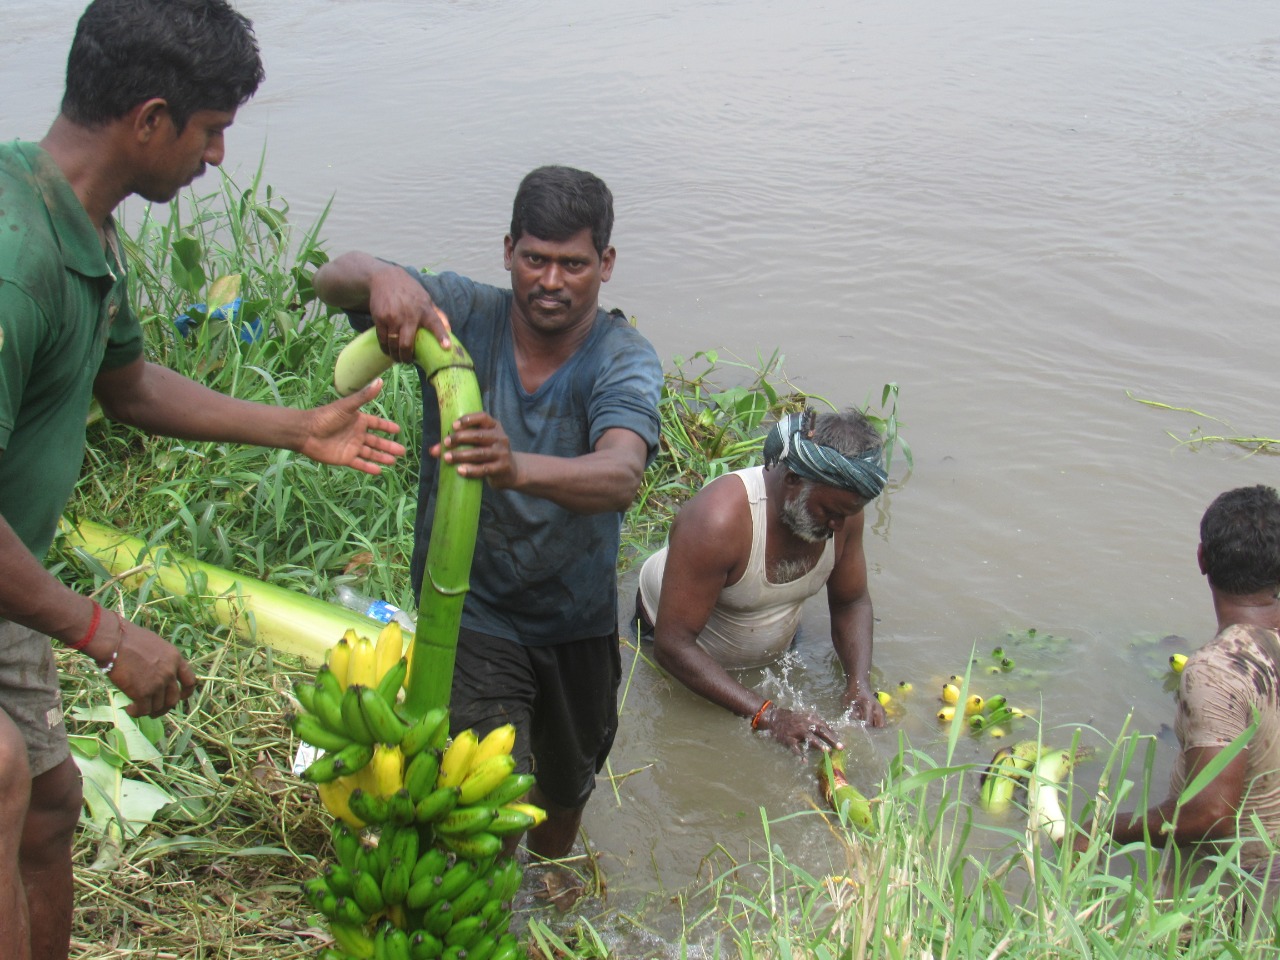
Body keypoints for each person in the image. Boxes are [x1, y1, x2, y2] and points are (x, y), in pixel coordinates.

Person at [0, 3, 408, 958]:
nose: (219, 157)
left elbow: (129, 383)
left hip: (11, 585)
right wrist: (105, 632)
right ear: (149, 120)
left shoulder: (85, 230)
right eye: (212, 129)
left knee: (52, 806)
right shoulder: (13, 262)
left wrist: (299, 428)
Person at [313, 165, 663, 860]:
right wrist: (385, 280)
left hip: (575, 620)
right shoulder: (460, 316)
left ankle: (555, 895)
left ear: (607, 265)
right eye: (535, 259)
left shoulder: (621, 358)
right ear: (508, 251)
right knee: (480, 807)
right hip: (471, 613)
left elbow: (621, 472)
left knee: (564, 799)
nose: (552, 281)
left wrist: (516, 468)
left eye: (573, 264)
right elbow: (332, 275)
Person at [634, 408, 889, 754]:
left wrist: (859, 684)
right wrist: (768, 715)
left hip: (769, 634)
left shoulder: (841, 514)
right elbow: (673, 646)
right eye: (829, 513)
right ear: (792, 480)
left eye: (846, 515)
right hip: (675, 645)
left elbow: (851, 601)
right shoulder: (717, 521)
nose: (837, 527)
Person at [1083, 485, 1280, 915]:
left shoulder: (1220, 670)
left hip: (1241, 896)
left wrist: (1109, 828)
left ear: (1202, 559)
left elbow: (1210, 814)